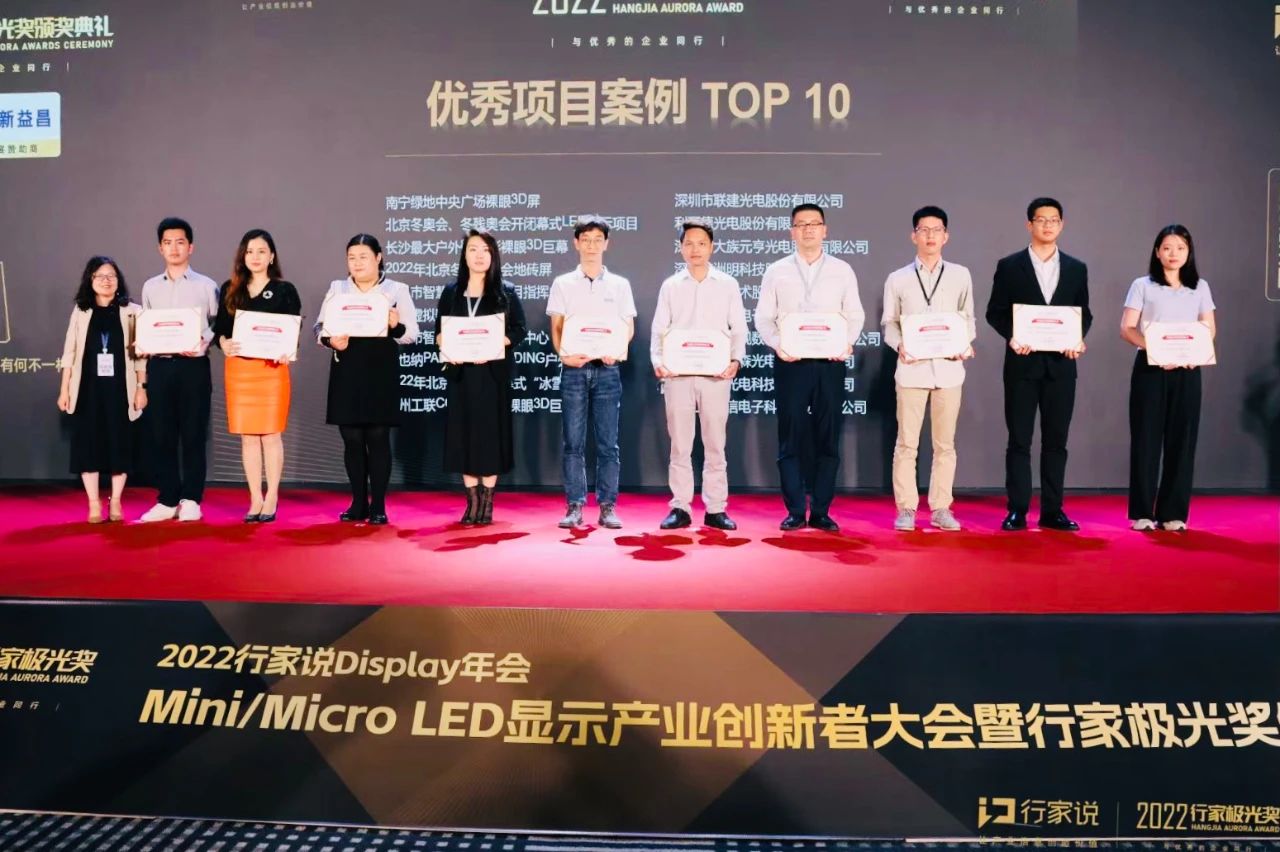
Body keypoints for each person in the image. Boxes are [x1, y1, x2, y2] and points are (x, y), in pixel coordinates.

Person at [755, 203, 865, 532]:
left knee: (827, 436)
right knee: (790, 436)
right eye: (801, 224)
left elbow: (855, 314)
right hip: (791, 363)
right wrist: (779, 344)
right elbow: (763, 317)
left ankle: (820, 510)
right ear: (792, 231)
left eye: (814, 224)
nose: (808, 230)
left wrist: (846, 342)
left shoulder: (842, 270)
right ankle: (793, 510)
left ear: (825, 230)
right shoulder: (776, 271)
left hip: (830, 363)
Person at [985, 197, 1092, 531]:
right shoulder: (1009, 265)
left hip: (1061, 366)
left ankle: (1052, 510)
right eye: (1041, 220)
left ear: (1062, 224)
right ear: (1029, 224)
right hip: (1022, 365)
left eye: (1054, 220)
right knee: (1019, 440)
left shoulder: (1076, 268)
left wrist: (1078, 338)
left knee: (1056, 441)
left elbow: (1083, 313)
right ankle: (1017, 509)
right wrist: (1012, 336)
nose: (1048, 225)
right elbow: (995, 312)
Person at [881, 206, 976, 532]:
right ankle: (906, 509)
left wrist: (964, 343)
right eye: (924, 230)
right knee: (906, 444)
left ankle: (941, 508)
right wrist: (900, 345)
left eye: (937, 230)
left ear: (946, 236)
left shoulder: (961, 275)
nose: (930, 235)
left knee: (945, 444)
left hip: (949, 370)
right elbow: (889, 324)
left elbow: (968, 318)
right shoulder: (898, 278)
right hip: (912, 369)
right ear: (914, 236)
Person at [315, 234, 419, 525]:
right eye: (351, 257)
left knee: (377, 437)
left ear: (378, 257)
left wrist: (395, 326)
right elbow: (319, 328)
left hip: (380, 371)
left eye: (363, 256)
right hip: (347, 370)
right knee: (351, 438)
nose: (357, 263)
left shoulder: (396, 290)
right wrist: (330, 340)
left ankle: (379, 506)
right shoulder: (337, 288)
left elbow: (412, 335)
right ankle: (358, 502)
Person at [651, 220, 747, 531]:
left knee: (715, 443)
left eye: (701, 243)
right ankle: (680, 507)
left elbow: (739, 327)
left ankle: (716, 508)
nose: (695, 249)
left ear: (712, 247)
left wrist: (735, 359)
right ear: (681, 248)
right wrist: (658, 361)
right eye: (689, 243)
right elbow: (659, 329)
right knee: (680, 444)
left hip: (716, 374)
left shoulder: (727, 284)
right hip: (677, 374)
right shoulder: (671, 286)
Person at [1121, 224, 1216, 531]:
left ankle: (1173, 513)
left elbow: (1209, 329)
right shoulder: (1142, 285)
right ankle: (1142, 513)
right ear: (1157, 252)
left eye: (1180, 248)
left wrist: (1191, 353)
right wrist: (1158, 349)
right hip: (1150, 369)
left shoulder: (1200, 287)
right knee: (1146, 440)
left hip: (1187, 370)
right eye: (1167, 247)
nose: (1173, 253)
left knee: (1182, 440)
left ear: (1189, 253)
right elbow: (1127, 328)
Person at [547, 216, 637, 529]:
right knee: (573, 442)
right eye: (585, 239)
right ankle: (574, 505)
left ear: (606, 244)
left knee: (608, 443)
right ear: (576, 243)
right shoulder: (563, 283)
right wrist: (564, 355)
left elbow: (628, 326)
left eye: (598, 239)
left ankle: (608, 506)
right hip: (574, 370)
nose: (591, 245)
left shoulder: (620, 285)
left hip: (608, 370)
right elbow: (557, 327)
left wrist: (617, 350)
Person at [435, 230, 527, 525]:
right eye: (473, 249)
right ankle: (471, 502)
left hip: (492, 376)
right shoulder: (451, 291)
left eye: (485, 250)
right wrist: (443, 342)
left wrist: (498, 342)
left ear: (493, 256)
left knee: (490, 437)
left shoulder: (505, 291)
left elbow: (520, 330)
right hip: (461, 376)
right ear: (464, 255)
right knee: (463, 436)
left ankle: (487, 503)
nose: (479, 255)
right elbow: (439, 331)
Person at [214, 229, 302, 523]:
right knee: (249, 437)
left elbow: (293, 330)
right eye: (250, 251)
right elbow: (220, 330)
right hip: (240, 370)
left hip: (271, 370)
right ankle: (255, 498)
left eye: (261, 251)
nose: (255, 257)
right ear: (242, 256)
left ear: (271, 256)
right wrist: (223, 343)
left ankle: (272, 496)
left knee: (271, 434)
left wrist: (287, 350)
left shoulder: (285, 290)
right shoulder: (230, 288)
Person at [136, 217, 220, 522]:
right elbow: (147, 324)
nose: (174, 248)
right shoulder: (150, 287)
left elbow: (218, 325)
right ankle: (168, 499)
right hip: (160, 366)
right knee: (162, 434)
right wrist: (144, 343)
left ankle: (192, 499)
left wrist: (202, 341)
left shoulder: (207, 286)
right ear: (160, 248)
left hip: (193, 367)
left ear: (191, 247)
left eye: (180, 242)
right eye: (167, 243)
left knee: (194, 434)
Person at [57, 257, 147, 523]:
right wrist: (64, 390)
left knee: (120, 444)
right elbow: (70, 352)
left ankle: (116, 501)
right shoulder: (81, 311)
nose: (106, 281)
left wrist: (141, 387)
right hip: (87, 390)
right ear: (90, 280)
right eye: (100, 276)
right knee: (89, 446)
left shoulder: (133, 311)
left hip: (121, 389)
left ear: (118, 281)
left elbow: (140, 356)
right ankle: (94, 503)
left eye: (111, 276)